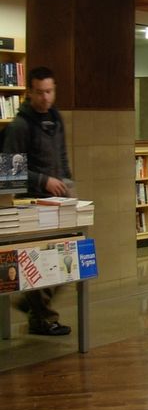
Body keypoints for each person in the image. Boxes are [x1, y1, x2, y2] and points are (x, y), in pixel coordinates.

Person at [4, 67, 72, 336]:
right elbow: (10, 173)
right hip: (31, 204)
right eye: (40, 92)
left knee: (67, 259)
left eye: (50, 91)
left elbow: (62, 156)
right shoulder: (20, 126)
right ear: (30, 92)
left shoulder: (56, 119)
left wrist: (67, 181)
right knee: (42, 261)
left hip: (57, 201)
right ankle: (43, 318)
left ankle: (31, 304)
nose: (45, 98)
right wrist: (44, 181)